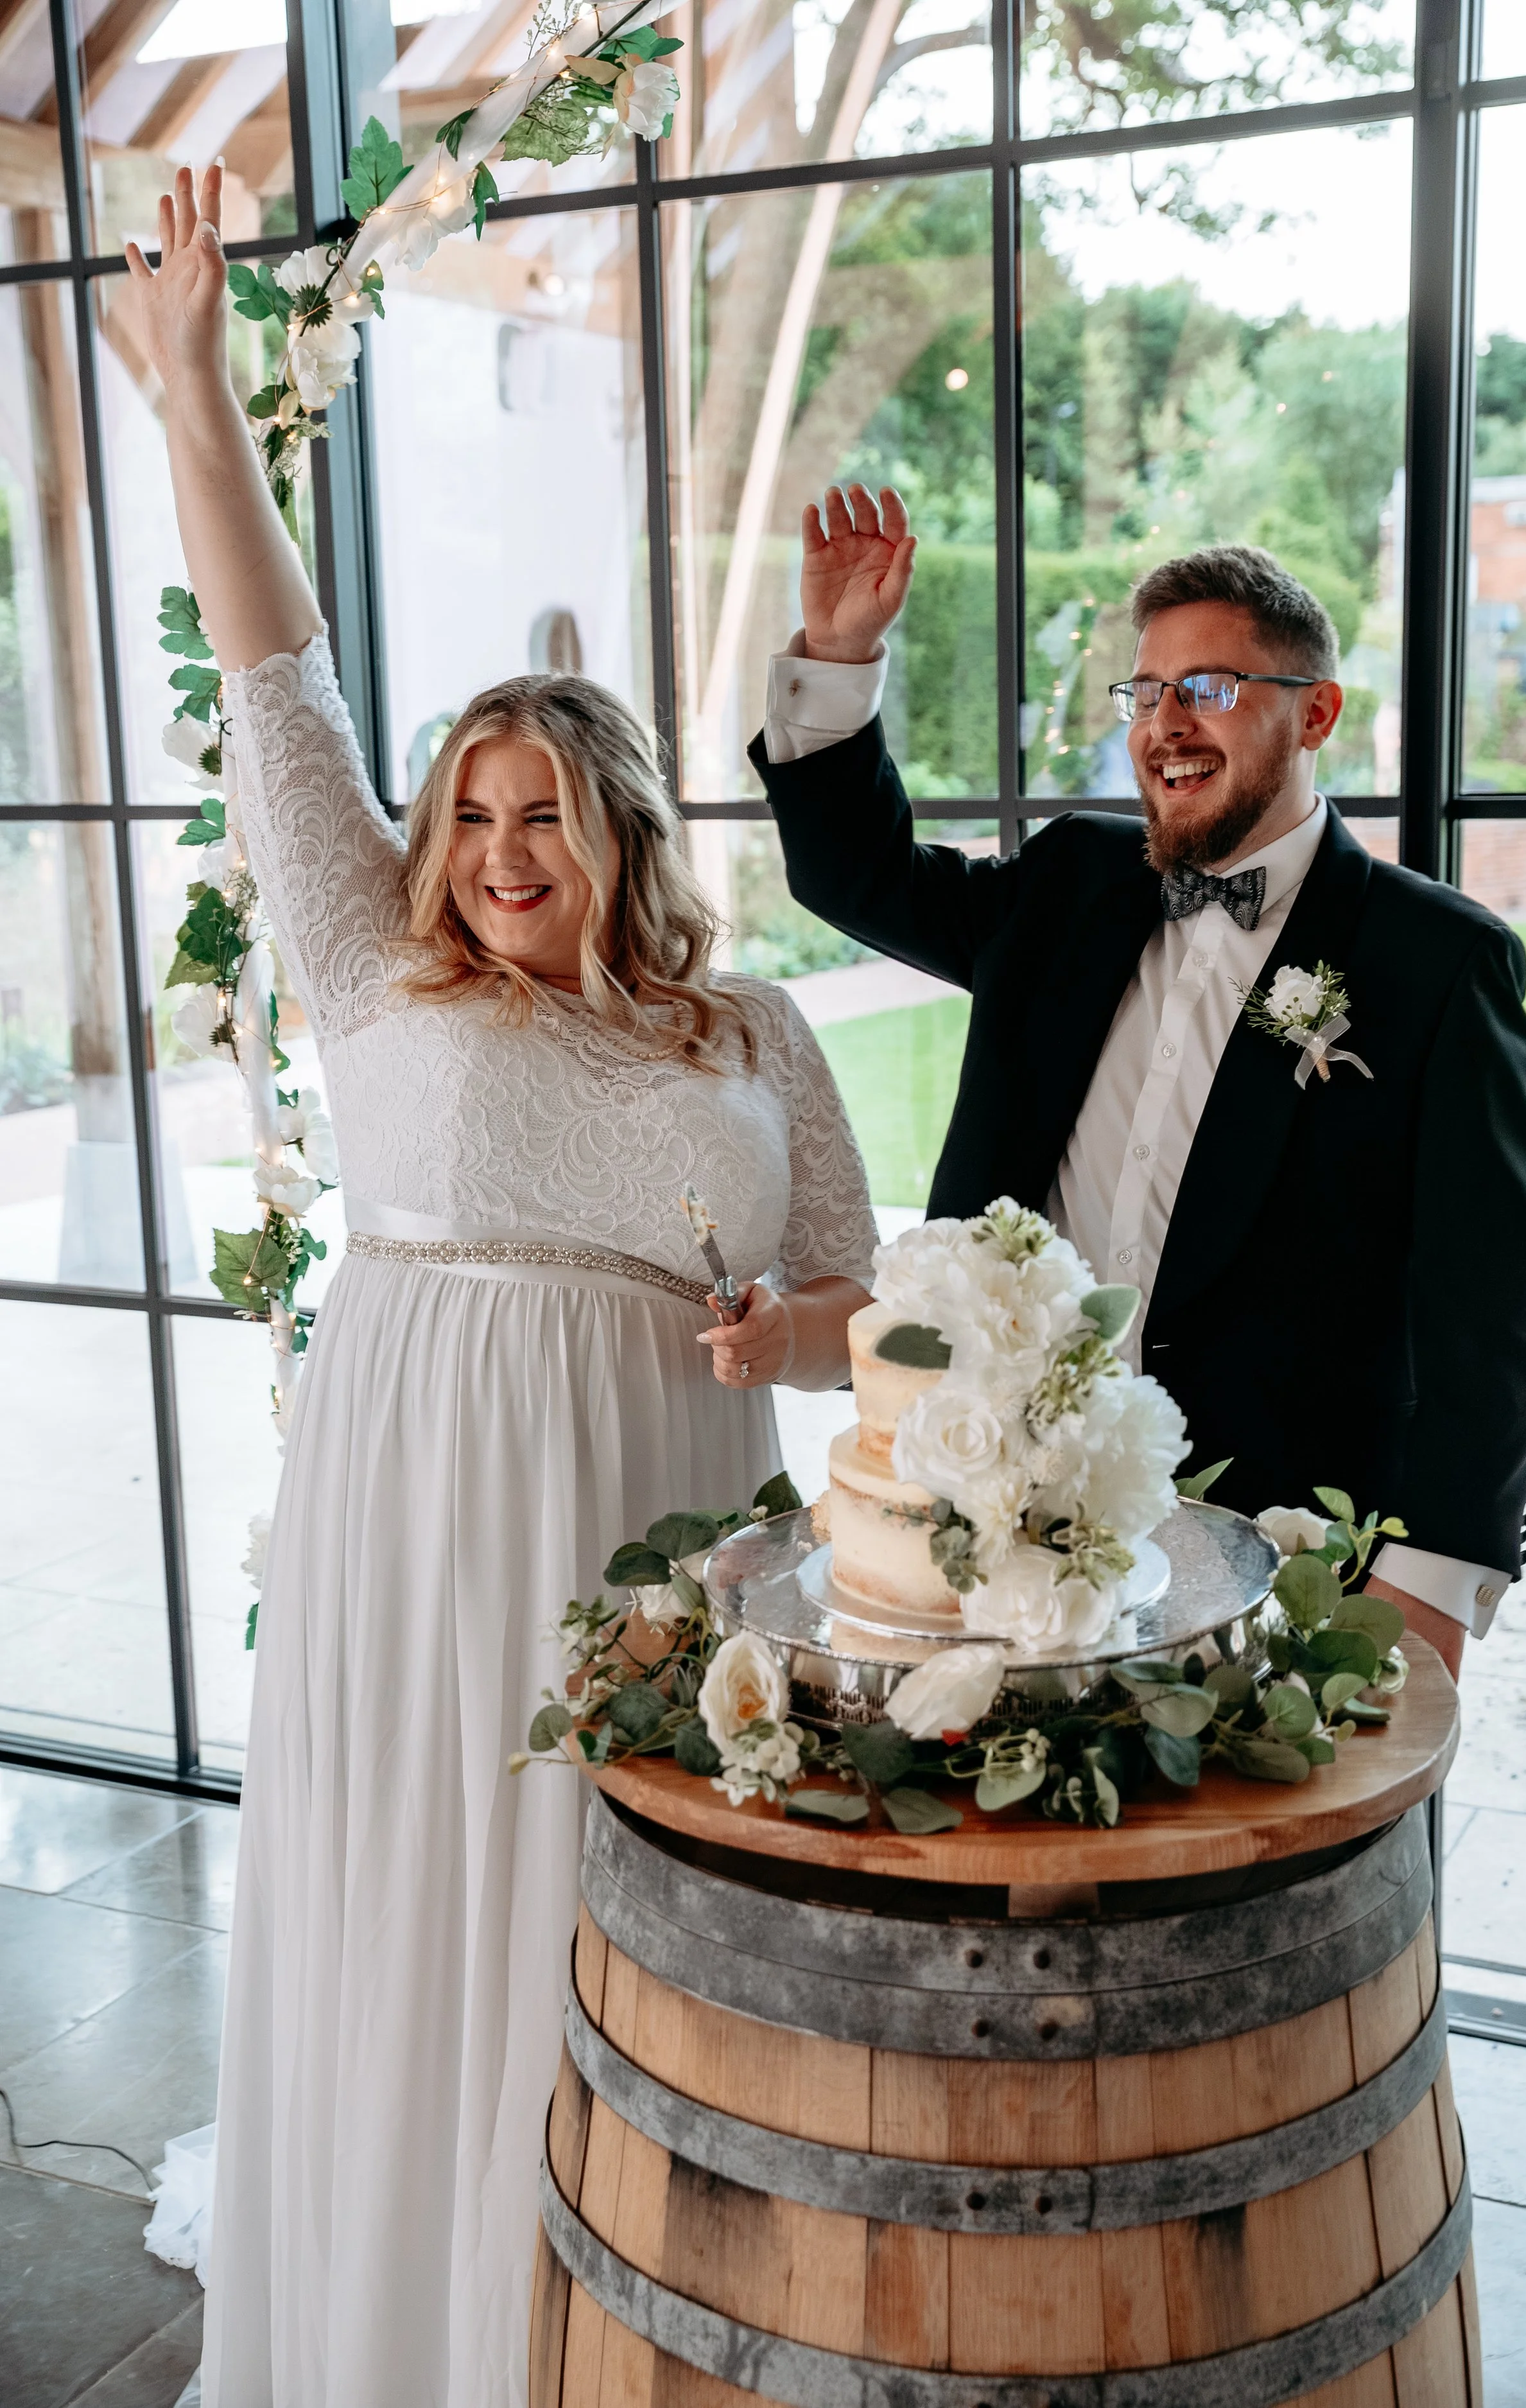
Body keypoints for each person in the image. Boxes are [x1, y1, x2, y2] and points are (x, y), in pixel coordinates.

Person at [127, 169, 876, 2408]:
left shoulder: (751, 1038)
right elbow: (280, 683)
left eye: (542, 811)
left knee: (603, 1898)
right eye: (471, 814)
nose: (500, 853)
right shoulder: (379, 971)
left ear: (624, 829)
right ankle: (403, 2329)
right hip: (423, 1495)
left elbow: (857, 1300)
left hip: (662, 1508)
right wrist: (192, 396)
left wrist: (786, 1337)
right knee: (415, 1891)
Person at [754, 482, 1526, 1682]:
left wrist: (1429, 1583)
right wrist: (838, 652)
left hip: (1286, 1545)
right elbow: (856, 876)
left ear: (1317, 711)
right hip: (1008, 1509)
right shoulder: (1069, 883)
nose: (1166, 722)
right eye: (1148, 690)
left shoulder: (1436, 962)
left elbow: (1491, 1313)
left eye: (1212, 688)